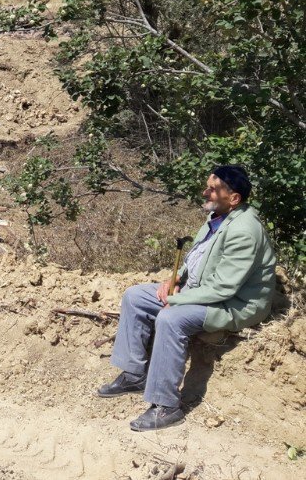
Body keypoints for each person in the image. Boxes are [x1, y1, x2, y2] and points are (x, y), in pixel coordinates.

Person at [97, 165, 276, 432]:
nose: (206, 192)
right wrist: (176, 279)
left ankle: (166, 407)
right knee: (135, 296)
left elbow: (224, 289)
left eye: (213, 189)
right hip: (203, 291)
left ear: (234, 198)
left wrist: (179, 300)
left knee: (171, 318)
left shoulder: (244, 231)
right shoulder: (218, 215)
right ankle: (134, 375)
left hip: (234, 304)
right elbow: (198, 256)